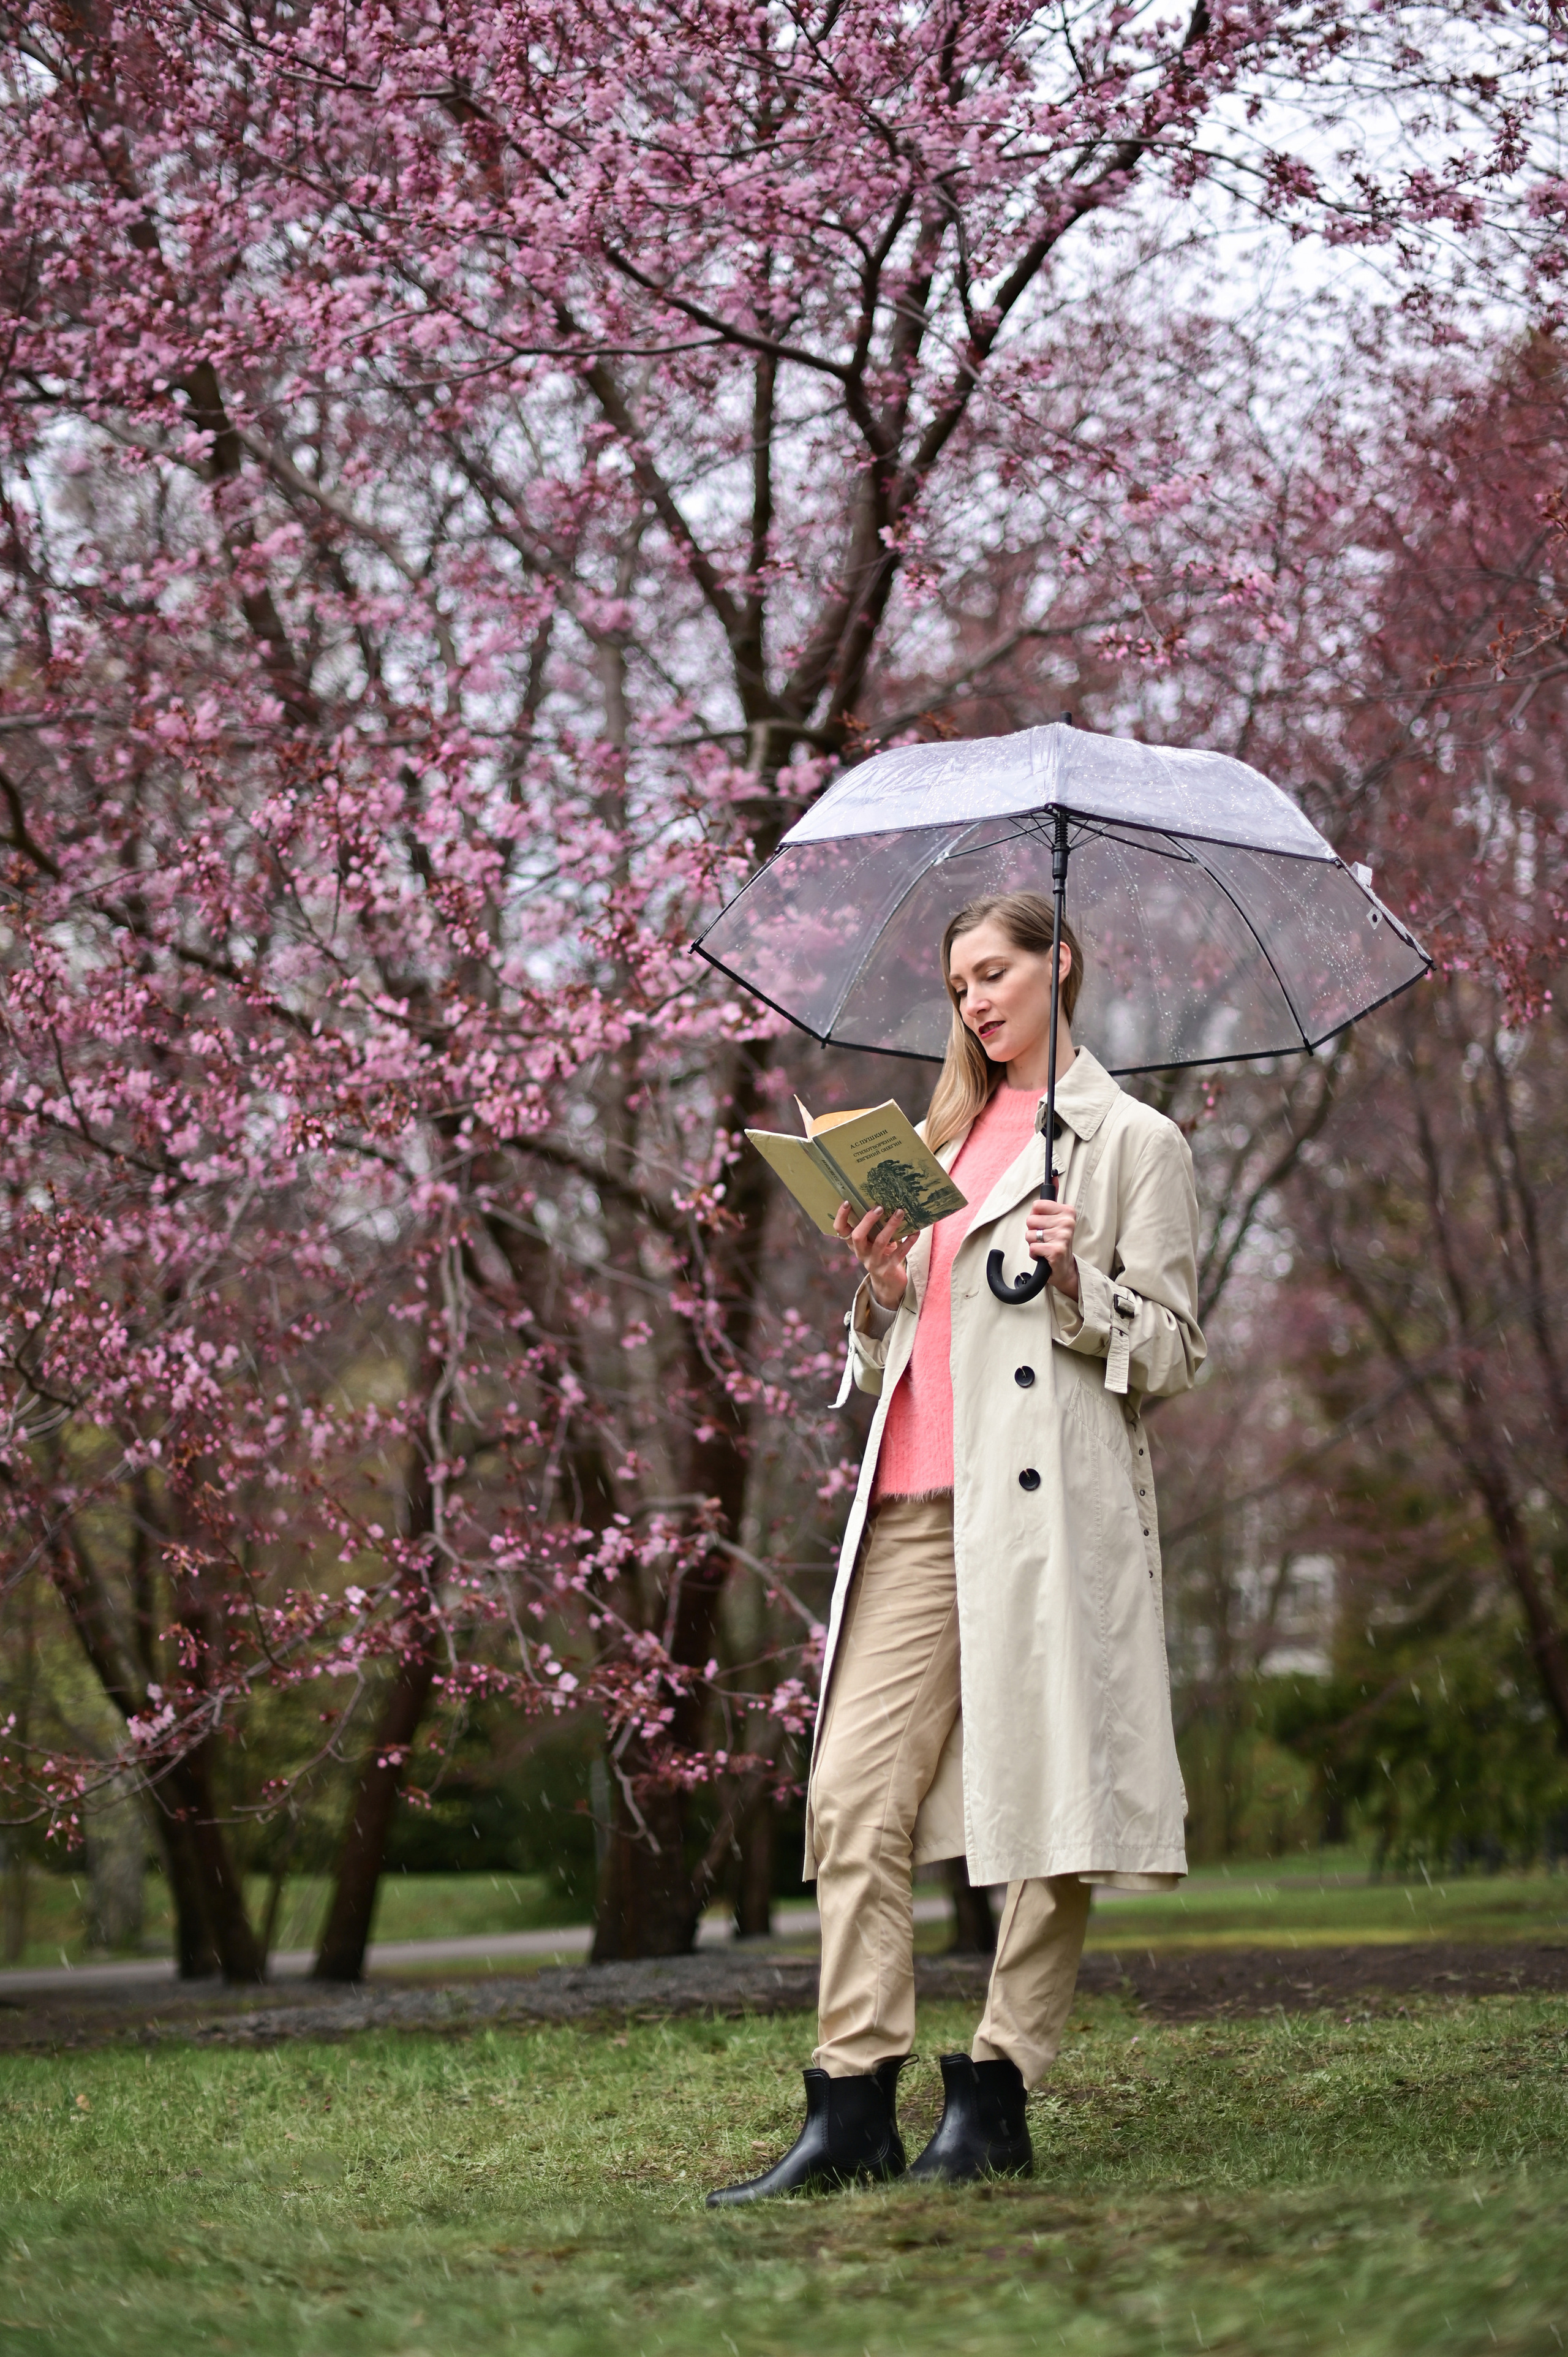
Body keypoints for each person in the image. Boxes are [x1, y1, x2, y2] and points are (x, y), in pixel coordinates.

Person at [707, 890, 1205, 2206]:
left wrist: (1077, 1287)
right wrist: (877, 1288)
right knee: (850, 1797)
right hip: (916, 1508)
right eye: (958, 984)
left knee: (1049, 1800)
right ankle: (851, 2100)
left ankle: (995, 2091)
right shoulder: (932, 1138)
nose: (974, 1001)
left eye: (994, 973)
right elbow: (903, 1355)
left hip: (1045, 1515)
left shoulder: (1128, 1143)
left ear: (1060, 968)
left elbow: (1174, 1348)